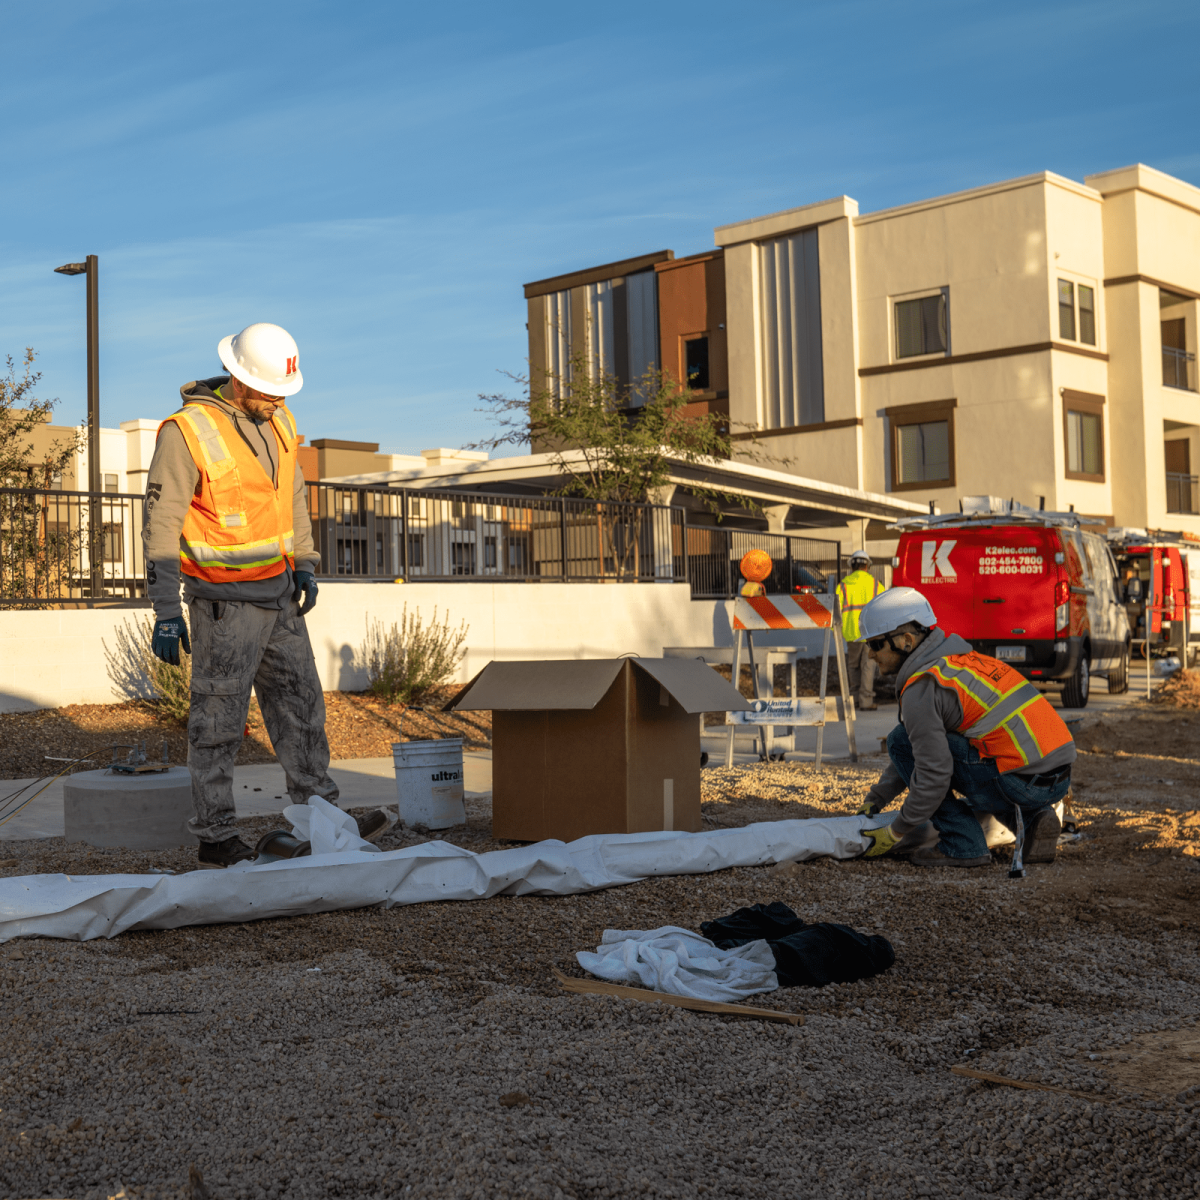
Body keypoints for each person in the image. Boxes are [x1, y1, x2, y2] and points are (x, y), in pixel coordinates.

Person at [142, 322, 387, 868]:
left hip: (279, 597)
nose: (277, 401)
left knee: (302, 709)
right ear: (236, 376)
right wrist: (164, 610)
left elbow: (292, 499)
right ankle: (216, 836)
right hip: (223, 603)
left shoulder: (281, 421)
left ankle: (323, 818)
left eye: (283, 392)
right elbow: (160, 527)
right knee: (219, 723)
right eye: (267, 391)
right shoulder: (186, 432)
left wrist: (305, 563)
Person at [854, 588, 1074, 868]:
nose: (870, 655)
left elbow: (932, 774)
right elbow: (917, 751)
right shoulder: (963, 663)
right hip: (1057, 777)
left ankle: (962, 842)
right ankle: (1032, 822)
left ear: (906, 641)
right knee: (926, 745)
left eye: (874, 644)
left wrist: (896, 830)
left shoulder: (923, 687)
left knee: (902, 742)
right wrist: (877, 799)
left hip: (1021, 782)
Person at [836, 550, 885, 711]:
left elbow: (835, 610)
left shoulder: (843, 585)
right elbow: (884, 608)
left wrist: (833, 630)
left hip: (851, 632)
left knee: (853, 666)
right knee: (868, 666)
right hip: (871, 632)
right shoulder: (877, 585)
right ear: (867, 566)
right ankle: (866, 701)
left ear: (852, 566)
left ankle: (855, 700)